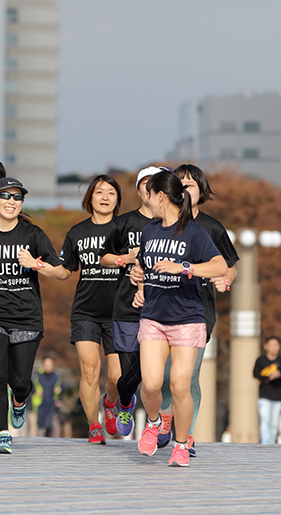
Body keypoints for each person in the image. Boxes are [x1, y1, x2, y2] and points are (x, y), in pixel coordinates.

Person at [0, 177, 67, 454]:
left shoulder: (33, 235)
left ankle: (19, 399)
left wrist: (37, 264)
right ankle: (3, 433)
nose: (11, 202)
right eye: (5, 196)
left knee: (19, 381)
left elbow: (61, 272)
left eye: (17, 198)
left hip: (26, 317)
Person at [133, 170, 226, 467]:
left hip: (187, 318)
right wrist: (139, 276)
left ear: (160, 196)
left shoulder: (195, 232)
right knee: (149, 384)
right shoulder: (149, 230)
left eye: (149, 195)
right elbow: (145, 265)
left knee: (180, 386)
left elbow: (220, 266)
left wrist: (184, 268)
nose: (147, 202)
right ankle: (153, 422)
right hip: (154, 317)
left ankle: (182, 444)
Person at [153, 164, 239, 457]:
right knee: (162, 376)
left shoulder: (211, 228)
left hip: (197, 312)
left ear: (201, 192)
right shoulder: (158, 225)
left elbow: (229, 267)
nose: (185, 189)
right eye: (180, 184)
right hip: (160, 311)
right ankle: (165, 417)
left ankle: (186, 435)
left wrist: (223, 280)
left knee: (188, 377)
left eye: (191, 185)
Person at [100, 166, 166, 438]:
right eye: (145, 184)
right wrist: (125, 259)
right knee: (127, 376)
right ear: (139, 190)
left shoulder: (175, 226)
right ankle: (124, 402)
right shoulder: (125, 223)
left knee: (155, 376)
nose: (150, 189)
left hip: (163, 310)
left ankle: (158, 423)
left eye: (157, 184)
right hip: (127, 307)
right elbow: (104, 256)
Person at [58, 175, 122, 444]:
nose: (105, 197)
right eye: (99, 192)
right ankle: (94, 426)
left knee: (117, 377)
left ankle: (110, 403)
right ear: (90, 198)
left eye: (111, 193)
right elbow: (65, 270)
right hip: (86, 311)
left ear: (117, 199)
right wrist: (38, 266)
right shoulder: (77, 232)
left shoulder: (126, 229)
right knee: (89, 369)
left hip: (120, 313)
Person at [253, 336, 281, 445]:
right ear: (266, 346)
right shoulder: (261, 360)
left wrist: (278, 375)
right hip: (264, 395)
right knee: (265, 419)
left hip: (277, 396)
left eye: (276, 345)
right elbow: (255, 374)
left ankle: (271, 443)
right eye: (271, 345)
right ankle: (265, 443)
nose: (274, 348)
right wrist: (267, 377)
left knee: (274, 423)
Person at [34, 356, 62, 437]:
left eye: (50, 364)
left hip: (52, 405)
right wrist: (35, 391)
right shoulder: (37, 375)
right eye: (46, 364)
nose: (48, 367)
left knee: (51, 426)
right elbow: (30, 388)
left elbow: (61, 388)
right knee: (39, 427)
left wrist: (60, 397)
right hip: (39, 405)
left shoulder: (56, 376)